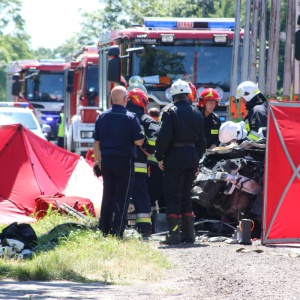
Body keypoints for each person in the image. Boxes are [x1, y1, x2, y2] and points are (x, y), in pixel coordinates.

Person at [155, 79, 206, 245]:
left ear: (173, 95)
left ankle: (174, 235)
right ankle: (189, 235)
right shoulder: (197, 113)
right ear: (187, 95)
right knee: (186, 195)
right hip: (191, 157)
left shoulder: (170, 112)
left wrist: (159, 156)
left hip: (174, 157)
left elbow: (164, 138)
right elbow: (202, 143)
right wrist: (196, 159)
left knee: (173, 196)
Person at [93, 86, 144, 238]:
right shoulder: (130, 117)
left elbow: (96, 142)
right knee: (123, 196)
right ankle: (117, 231)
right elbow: (139, 141)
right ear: (125, 99)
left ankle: (104, 228)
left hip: (107, 161)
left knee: (108, 194)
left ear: (111, 99)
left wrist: (98, 161)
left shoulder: (102, 117)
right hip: (124, 161)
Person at [126, 88, 159, 239]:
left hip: (121, 165)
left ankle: (117, 228)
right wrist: (148, 149)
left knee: (119, 195)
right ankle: (144, 230)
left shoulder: (121, 116)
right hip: (139, 166)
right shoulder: (145, 118)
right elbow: (155, 136)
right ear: (143, 101)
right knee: (141, 197)